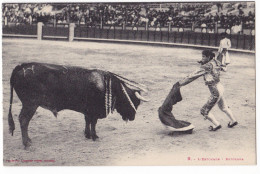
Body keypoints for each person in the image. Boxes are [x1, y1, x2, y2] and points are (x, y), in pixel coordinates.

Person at [178, 50, 238, 131]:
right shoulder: (216, 61)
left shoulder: (205, 67)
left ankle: (216, 125)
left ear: (208, 57)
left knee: (203, 111)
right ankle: (233, 120)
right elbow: (222, 68)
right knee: (223, 107)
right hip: (220, 87)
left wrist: (180, 83)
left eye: (203, 57)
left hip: (215, 91)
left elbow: (192, 76)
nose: (202, 58)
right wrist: (203, 62)